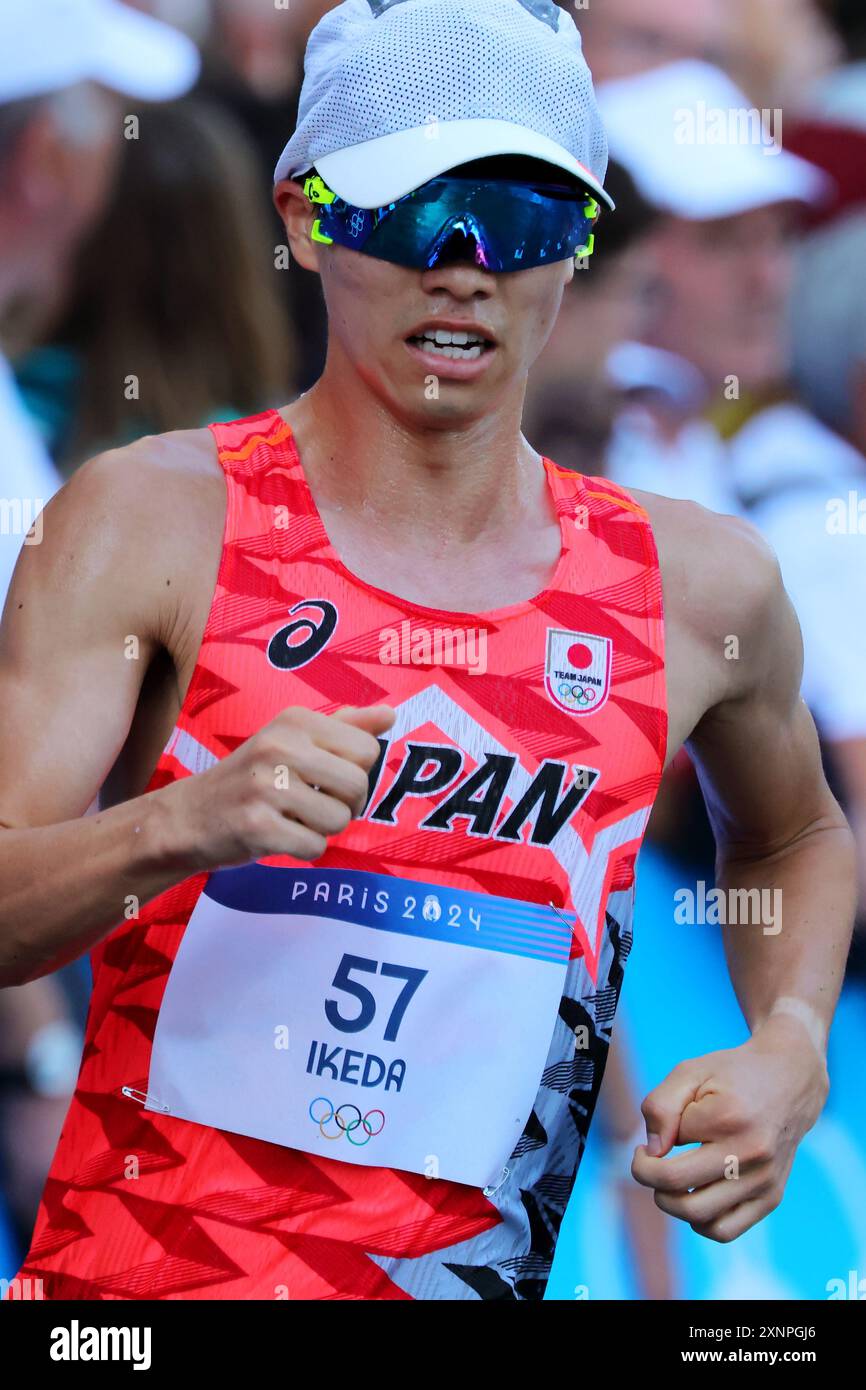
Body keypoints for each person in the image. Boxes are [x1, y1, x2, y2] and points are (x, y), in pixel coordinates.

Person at [1, 0, 855, 1302]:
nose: (463, 268)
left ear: (577, 244)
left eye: (517, 222)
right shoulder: (150, 520)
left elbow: (792, 835)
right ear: (303, 214)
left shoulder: (695, 582)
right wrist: (176, 824)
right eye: (410, 213)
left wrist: (791, 1041)